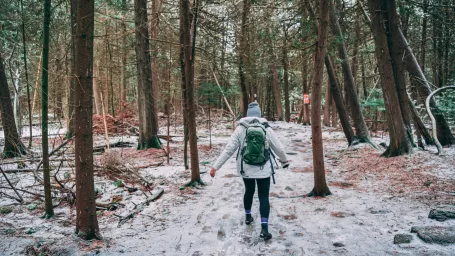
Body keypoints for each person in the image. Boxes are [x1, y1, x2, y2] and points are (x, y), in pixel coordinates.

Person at [210, 102, 289, 241]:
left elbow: (229, 150)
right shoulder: (266, 128)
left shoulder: (240, 129)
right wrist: (284, 161)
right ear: (259, 114)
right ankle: (264, 228)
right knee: (264, 196)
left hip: (245, 168)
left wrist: (215, 167)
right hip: (263, 169)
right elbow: (279, 148)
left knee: (249, 191)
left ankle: (248, 216)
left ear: (248, 114)